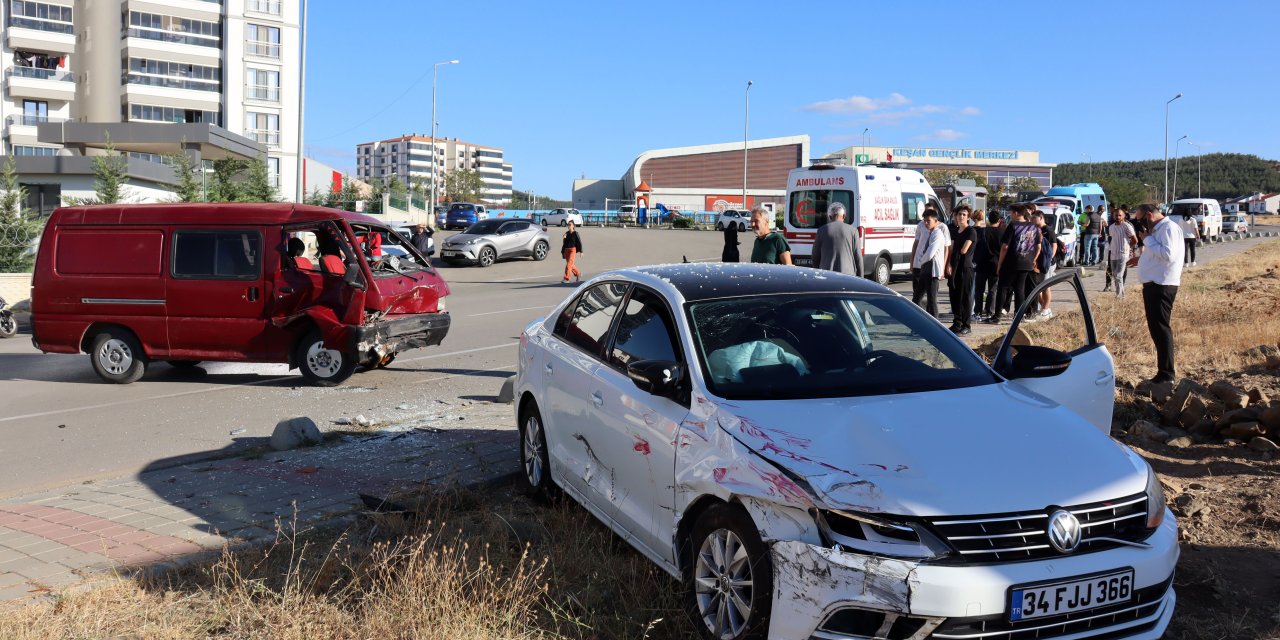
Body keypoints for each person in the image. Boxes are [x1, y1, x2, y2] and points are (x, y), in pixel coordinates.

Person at [1131, 203, 1184, 383]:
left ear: (1149, 215)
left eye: (1140, 220)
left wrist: (1147, 239)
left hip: (1161, 285)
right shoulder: (1159, 230)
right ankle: (1163, 372)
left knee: (1161, 329)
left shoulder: (1168, 228)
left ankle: (1166, 374)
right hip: (1154, 283)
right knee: (1157, 328)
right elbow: (1158, 254)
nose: (1140, 225)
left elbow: (1168, 254)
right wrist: (1142, 259)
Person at [989, 204, 1041, 324]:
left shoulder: (1013, 226)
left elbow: (1005, 247)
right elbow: (1038, 246)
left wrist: (1000, 264)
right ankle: (1018, 316)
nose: (1010, 215)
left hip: (1012, 262)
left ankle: (997, 316)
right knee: (1020, 289)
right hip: (1027, 262)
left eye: (1011, 212)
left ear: (1017, 213)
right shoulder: (1033, 226)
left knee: (1003, 287)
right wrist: (1033, 259)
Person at [946, 208, 977, 334]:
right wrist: (948, 263)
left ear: (968, 217)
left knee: (965, 296)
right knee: (954, 295)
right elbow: (951, 249)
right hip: (954, 267)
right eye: (959, 214)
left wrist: (953, 251)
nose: (961, 217)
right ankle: (957, 322)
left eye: (964, 215)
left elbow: (963, 250)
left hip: (965, 267)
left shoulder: (971, 231)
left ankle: (966, 325)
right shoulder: (954, 231)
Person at [911, 210, 946, 318]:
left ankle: (935, 326)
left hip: (932, 271)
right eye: (924, 221)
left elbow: (930, 253)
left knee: (932, 300)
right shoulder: (930, 233)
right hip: (925, 270)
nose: (926, 223)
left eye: (928, 221)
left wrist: (920, 261)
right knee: (916, 299)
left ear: (936, 221)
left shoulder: (938, 234)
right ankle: (923, 320)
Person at [811, 202, 861, 276]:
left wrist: (818, 271)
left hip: (827, 275)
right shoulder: (853, 231)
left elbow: (815, 256)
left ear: (830, 217)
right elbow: (858, 258)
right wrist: (861, 278)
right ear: (844, 216)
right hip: (848, 276)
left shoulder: (821, 230)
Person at [974, 210, 1003, 320]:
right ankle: (990, 311)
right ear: (999, 220)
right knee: (992, 289)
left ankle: (978, 312)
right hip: (995, 263)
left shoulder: (982, 231)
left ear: (988, 219)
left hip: (981, 263)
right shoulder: (1002, 232)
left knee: (979, 290)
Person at [1030, 210, 1058, 319]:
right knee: (1038, 287)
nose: (1032, 220)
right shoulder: (1036, 229)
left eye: (1034, 218)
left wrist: (1049, 259)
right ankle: (1044, 308)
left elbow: (1054, 245)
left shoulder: (1048, 230)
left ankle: (1046, 309)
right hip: (1039, 262)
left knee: (1046, 286)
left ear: (1041, 218)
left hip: (1048, 263)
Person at [1106, 208, 1138, 298]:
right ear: (1113, 216)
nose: (1118, 217)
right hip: (1113, 253)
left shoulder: (1127, 226)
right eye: (1116, 215)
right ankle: (1121, 294)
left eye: (1120, 215)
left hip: (1123, 253)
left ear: (1124, 216)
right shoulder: (1111, 227)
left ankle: (1119, 296)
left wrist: (1128, 247)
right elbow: (1113, 238)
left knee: (1119, 275)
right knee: (1115, 274)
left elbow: (1135, 240)